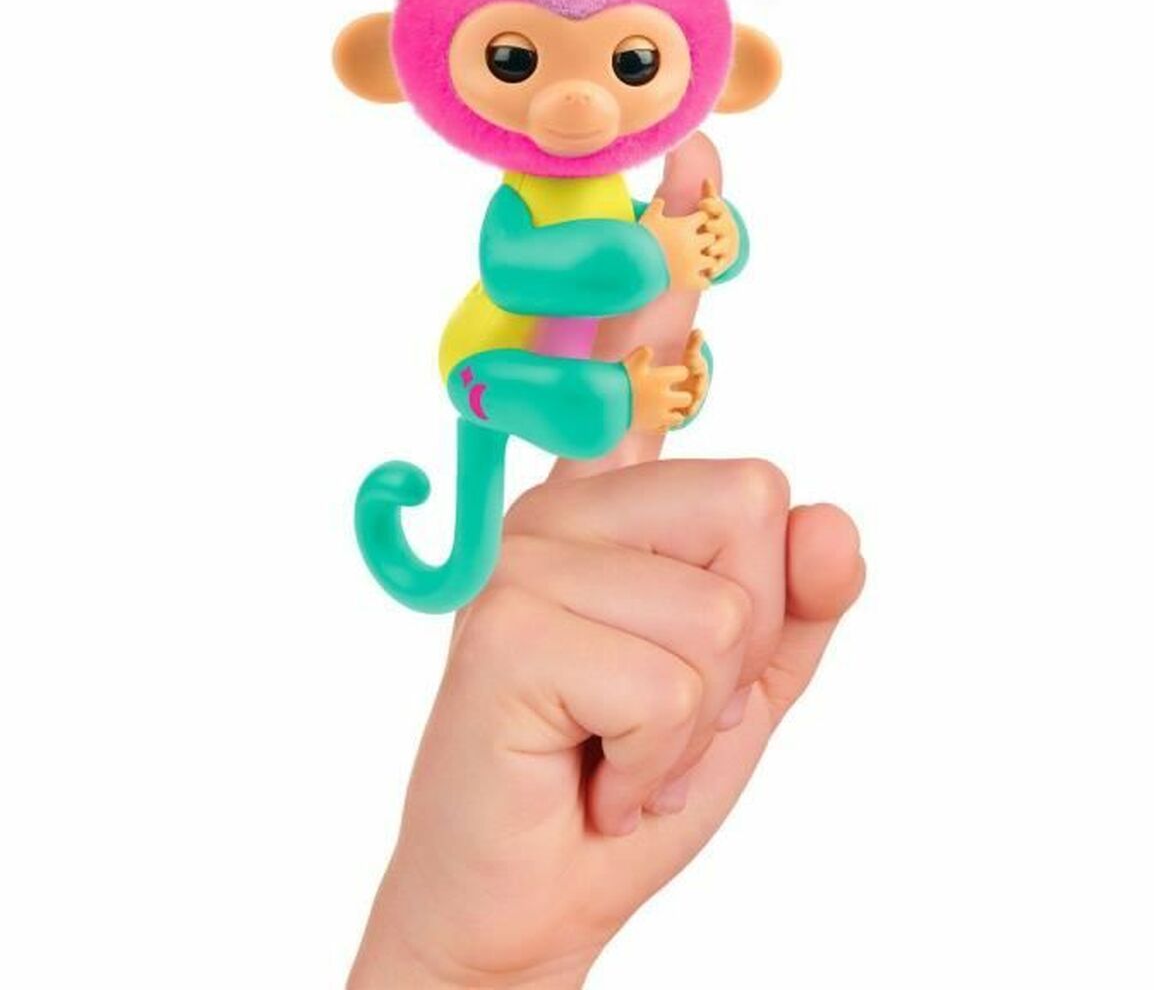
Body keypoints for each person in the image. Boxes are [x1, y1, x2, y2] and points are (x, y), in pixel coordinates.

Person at [347, 139, 866, 988]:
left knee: (655, 374)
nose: (581, 102)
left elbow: (661, 249)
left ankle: (633, 394)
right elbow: (516, 273)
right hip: (493, 376)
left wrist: (716, 237)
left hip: (575, 368)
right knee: (612, 398)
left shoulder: (605, 201)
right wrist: (447, 966)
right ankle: (627, 395)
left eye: (629, 73)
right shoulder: (518, 205)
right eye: (516, 71)